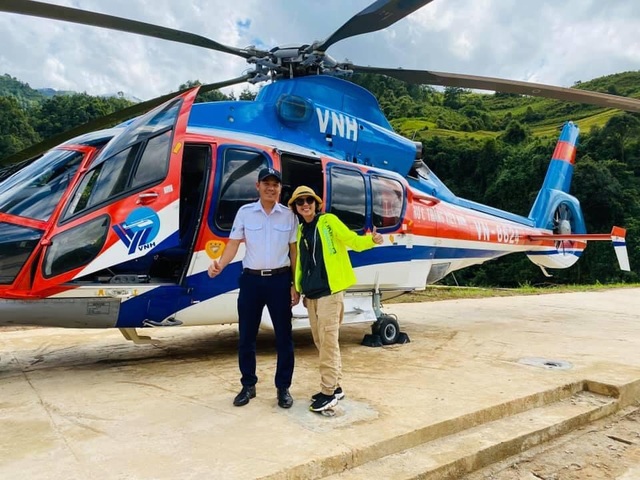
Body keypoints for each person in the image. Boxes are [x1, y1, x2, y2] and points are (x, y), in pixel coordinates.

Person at [208, 167, 300, 409]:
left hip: (280, 281)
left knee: (284, 337)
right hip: (251, 281)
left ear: (281, 188)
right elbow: (233, 244)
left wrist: (295, 284)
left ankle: (283, 388)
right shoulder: (245, 213)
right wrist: (220, 264)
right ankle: (248, 385)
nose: (271, 188)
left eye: (276, 184)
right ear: (257, 186)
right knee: (247, 336)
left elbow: (294, 252)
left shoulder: (289, 216)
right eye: (266, 183)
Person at [287, 185, 383, 413]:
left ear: (316, 203)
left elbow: (352, 240)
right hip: (311, 296)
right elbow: (302, 263)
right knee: (321, 342)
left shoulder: (328, 221)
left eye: (309, 200)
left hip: (330, 293)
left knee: (328, 342)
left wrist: (372, 240)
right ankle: (336, 387)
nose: (305, 205)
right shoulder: (301, 231)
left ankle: (328, 392)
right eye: (300, 202)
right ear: (296, 208)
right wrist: (299, 288)